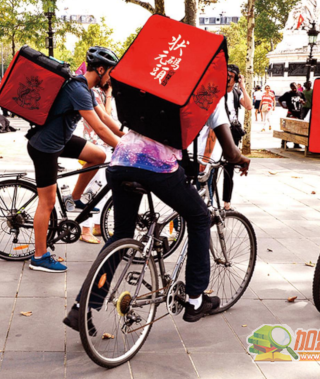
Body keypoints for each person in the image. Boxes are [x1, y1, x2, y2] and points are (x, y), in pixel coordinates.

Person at [63, 82, 251, 329]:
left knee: (121, 235)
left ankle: (82, 307)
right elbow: (230, 151)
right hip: (158, 166)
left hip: (120, 160)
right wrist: (242, 159)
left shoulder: (155, 84)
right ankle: (195, 300)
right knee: (200, 218)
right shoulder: (208, 95)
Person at [27, 46, 124, 273]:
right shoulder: (77, 89)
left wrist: (124, 136)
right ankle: (39, 256)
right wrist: (123, 149)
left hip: (60, 140)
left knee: (99, 155)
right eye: (111, 72)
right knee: (47, 201)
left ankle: (74, 198)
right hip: (44, 147)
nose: (111, 78)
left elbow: (105, 118)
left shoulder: (86, 89)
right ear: (101, 69)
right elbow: (98, 127)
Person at [78, 80, 116, 244]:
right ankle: (85, 230)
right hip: (94, 146)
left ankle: (97, 226)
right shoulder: (94, 93)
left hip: (104, 145)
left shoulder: (103, 93)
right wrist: (109, 94)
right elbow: (105, 119)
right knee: (92, 188)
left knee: (103, 188)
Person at [218, 64, 253, 211]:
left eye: (230, 76)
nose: (227, 79)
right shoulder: (218, 92)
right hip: (218, 131)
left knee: (229, 168)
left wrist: (243, 87)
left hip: (232, 133)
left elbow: (249, 106)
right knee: (212, 167)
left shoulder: (236, 93)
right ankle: (209, 199)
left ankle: (227, 202)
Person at [279, 82, 305, 148]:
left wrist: (303, 102)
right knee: (287, 128)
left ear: (297, 86)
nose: (294, 89)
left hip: (299, 114)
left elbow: (305, 102)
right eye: (292, 88)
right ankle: (283, 143)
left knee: (298, 129)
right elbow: (280, 99)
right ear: (291, 87)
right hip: (291, 113)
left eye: (295, 87)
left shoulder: (301, 93)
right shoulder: (288, 94)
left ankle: (296, 144)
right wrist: (283, 106)